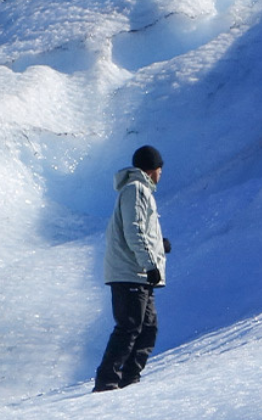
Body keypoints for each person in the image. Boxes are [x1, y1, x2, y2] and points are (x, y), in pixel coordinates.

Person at [95, 145, 168, 392]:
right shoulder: (135, 189)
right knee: (129, 327)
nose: (161, 174)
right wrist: (150, 264)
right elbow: (134, 229)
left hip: (138, 273)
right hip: (130, 272)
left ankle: (129, 380)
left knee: (147, 329)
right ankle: (107, 381)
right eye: (160, 169)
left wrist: (160, 244)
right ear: (153, 168)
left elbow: (142, 230)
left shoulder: (141, 191)